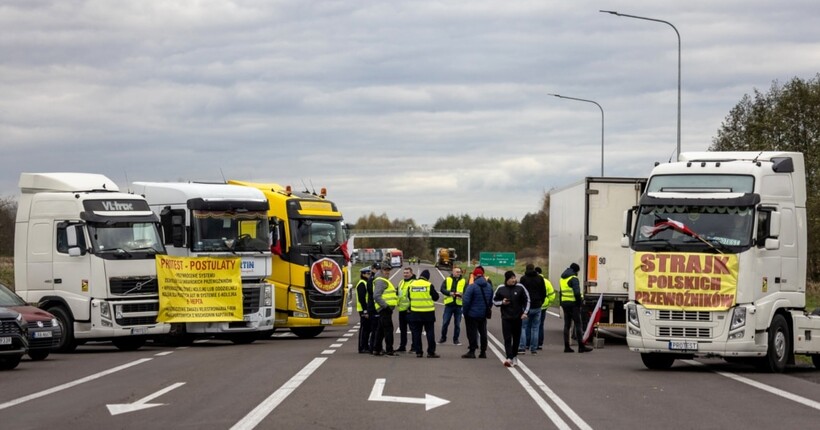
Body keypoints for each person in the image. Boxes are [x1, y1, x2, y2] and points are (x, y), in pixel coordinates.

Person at [493, 271, 530, 367]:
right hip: (506, 318)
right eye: (511, 278)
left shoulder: (520, 287)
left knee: (516, 338)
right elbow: (494, 300)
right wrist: (502, 302)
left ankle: (514, 356)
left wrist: (525, 312)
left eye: (514, 278)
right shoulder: (501, 288)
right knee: (507, 338)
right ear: (507, 279)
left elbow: (527, 300)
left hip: (518, 317)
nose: (514, 280)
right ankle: (509, 357)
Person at [461, 267, 494, 359]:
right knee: (483, 332)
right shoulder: (489, 286)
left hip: (472, 314)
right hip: (483, 314)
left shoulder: (472, 286)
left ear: (474, 275)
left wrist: (465, 312)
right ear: (483, 275)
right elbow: (491, 301)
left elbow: (466, 301)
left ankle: (472, 351)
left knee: (472, 332)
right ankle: (483, 352)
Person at [407, 269, 440, 358]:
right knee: (429, 332)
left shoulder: (412, 285)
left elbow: (409, 297)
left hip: (415, 313)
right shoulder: (429, 285)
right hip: (428, 313)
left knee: (416, 333)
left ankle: (419, 352)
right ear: (427, 278)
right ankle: (431, 352)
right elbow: (436, 297)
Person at [561, 263, 592, 353]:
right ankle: (581, 346)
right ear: (576, 270)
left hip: (564, 303)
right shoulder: (573, 278)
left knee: (567, 325)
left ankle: (566, 347)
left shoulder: (562, 278)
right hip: (573, 304)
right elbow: (577, 293)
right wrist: (579, 303)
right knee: (578, 324)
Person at [518, 263, 546, 355]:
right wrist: (540, 302)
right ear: (534, 269)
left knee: (523, 327)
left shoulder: (523, 279)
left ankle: (522, 347)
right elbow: (543, 292)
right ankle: (534, 349)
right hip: (537, 305)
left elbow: (520, 292)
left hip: (526, 306)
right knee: (535, 328)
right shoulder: (540, 278)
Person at [373, 262, 399, 356]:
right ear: (381, 270)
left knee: (380, 330)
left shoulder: (383, 280)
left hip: (385, 309)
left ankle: (377, 349)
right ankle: (389, 350)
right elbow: (376, 295)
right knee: (388, 330)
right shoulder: (381, 280)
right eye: (385, 270)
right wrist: (386, 306)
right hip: (384, 309)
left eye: (388, 270)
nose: (387, 272)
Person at [439, 266, 466, 345]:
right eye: (457, 272)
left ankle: (456, 339)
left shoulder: (464, 281)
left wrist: (462, 295)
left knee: (457, 324)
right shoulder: (447, 280)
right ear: (453, 272)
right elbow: (442, 289)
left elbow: (467, 291)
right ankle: (443, 337)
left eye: (459, 272)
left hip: (458, 305)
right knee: (445, 322)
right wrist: (450, 293)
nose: (458, 273)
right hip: (449, 304)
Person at [535, 266, 556, 351]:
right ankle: (539, 344)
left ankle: (530, 343)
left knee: (532, 325)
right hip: (544, 306)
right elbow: (552, 294)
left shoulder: (533, 280)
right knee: (540, 325)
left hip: (535, 305)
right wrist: (548, 302)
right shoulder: (547, 282)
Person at [396, 266, 416, 353]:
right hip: (401, 310)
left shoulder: (414, 283)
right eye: (404, 273)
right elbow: (398, 294)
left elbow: (415, 297)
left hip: (410, 310)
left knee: (413, 330)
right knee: (402, 329)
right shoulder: (401, 282)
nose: (405, 274)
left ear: (411, 273)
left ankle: (414, 346)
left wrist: (411, 308)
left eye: (407, 273)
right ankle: (402, 346)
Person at [356, 266, 374, 354]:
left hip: (366, 308)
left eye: (370, 273)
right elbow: (361, 298)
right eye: (367, 273)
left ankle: (366, 346)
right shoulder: (362, 283)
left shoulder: (366, 282)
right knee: (364, 329)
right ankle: (362, 347)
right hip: (363, 309)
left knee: (367, 329)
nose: (369, 275)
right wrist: (365, 310)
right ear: (363, 274)